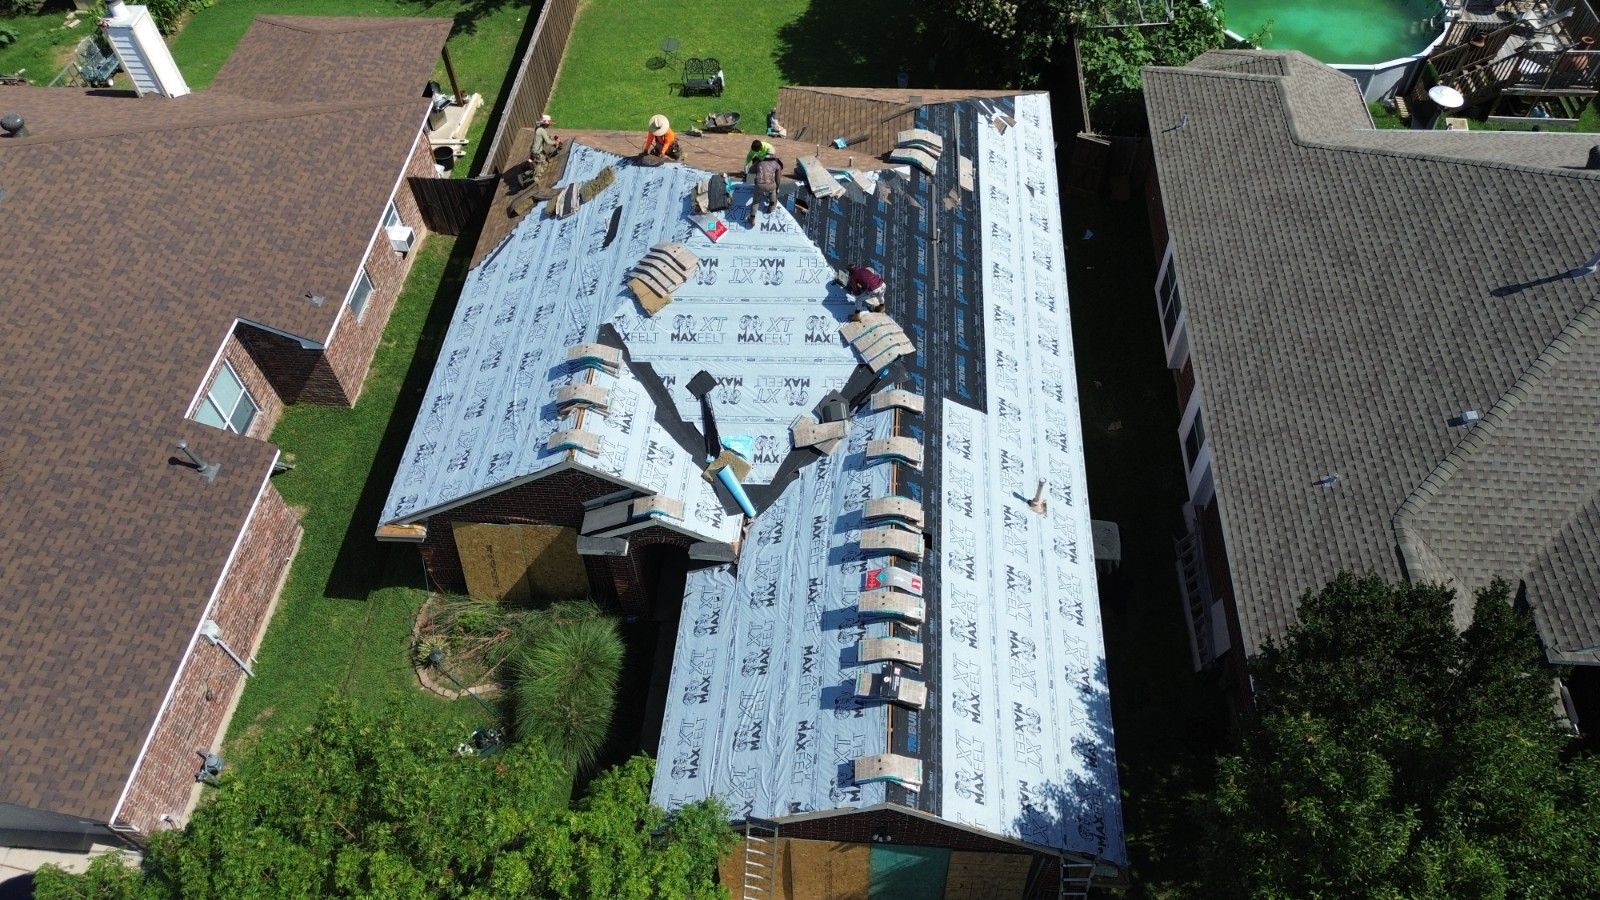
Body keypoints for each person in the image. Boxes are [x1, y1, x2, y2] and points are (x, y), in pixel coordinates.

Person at [525, 113, 562, 183]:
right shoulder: (542, 130)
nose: (549, 125)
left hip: (534, 149)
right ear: (545, 123)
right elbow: (548, 141)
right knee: (544, 164)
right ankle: (536, 179)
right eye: (548, 123)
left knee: (543, 158)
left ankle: (526, 173)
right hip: (537, 151)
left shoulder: (539, 128)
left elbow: (546, 136)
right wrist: (556, 142)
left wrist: (553, 138)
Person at [748, 154, 783, 225]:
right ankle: (771, 205)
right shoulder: (776, 164)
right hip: (770, 185)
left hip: (759, 185)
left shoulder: (759, 162)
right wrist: (777, 187)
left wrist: (757, 165)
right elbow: (778, 179)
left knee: (756, 201)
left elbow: (750, 171)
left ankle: (752, 217)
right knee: (773, 191)